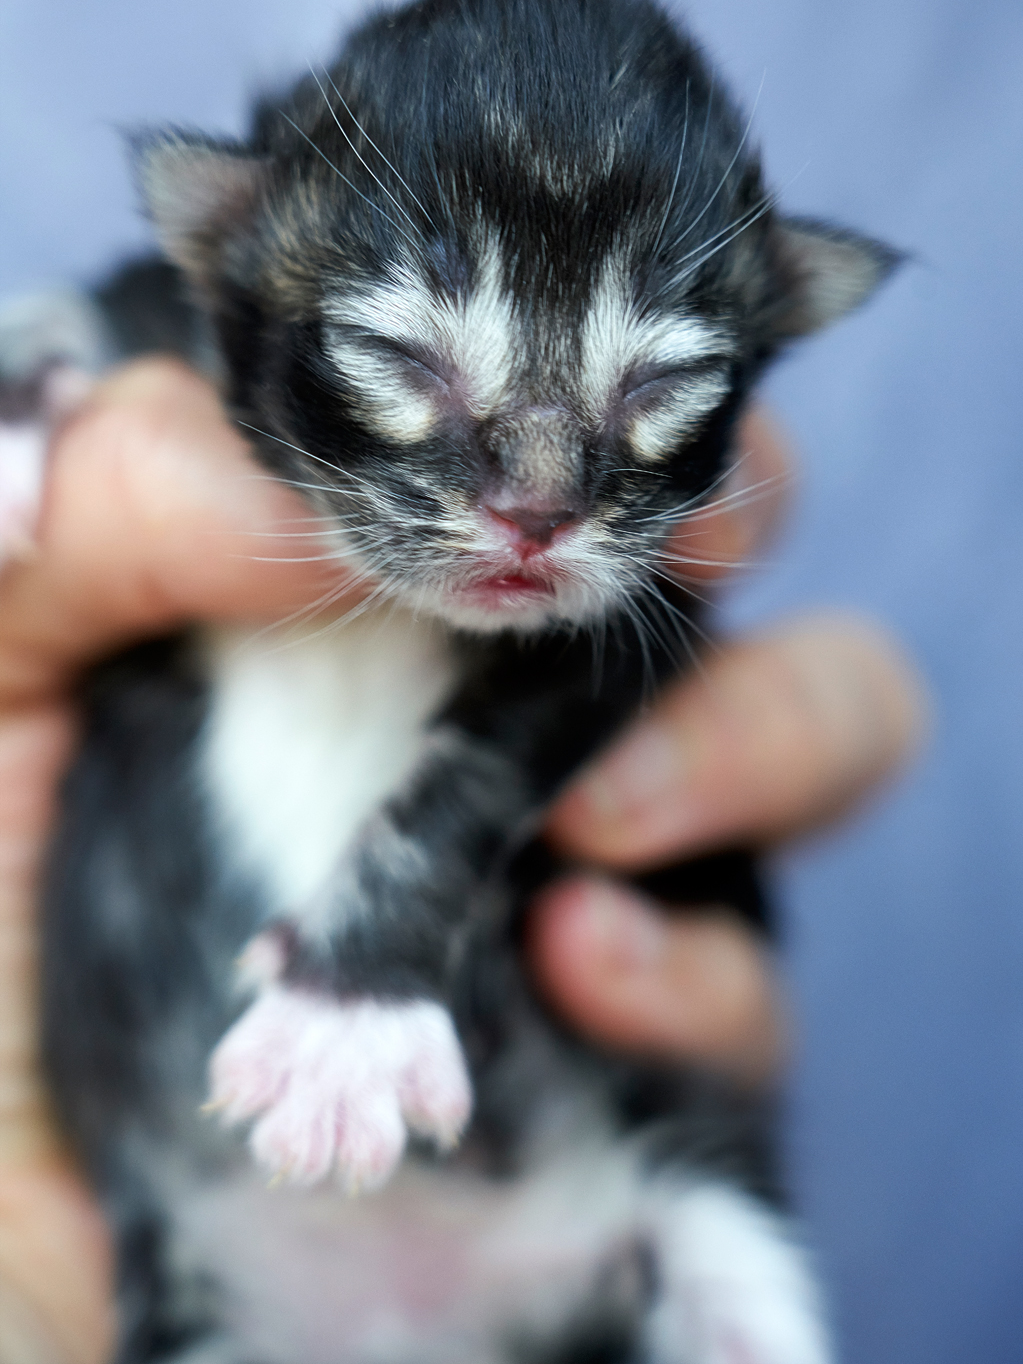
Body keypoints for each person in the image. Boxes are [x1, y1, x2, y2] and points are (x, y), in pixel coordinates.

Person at [0, 359, 923, 1364]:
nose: (532, 496)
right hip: (205, 1221)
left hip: (555, 1164)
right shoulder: (183, 406)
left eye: (652, 389)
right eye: (409, 361)